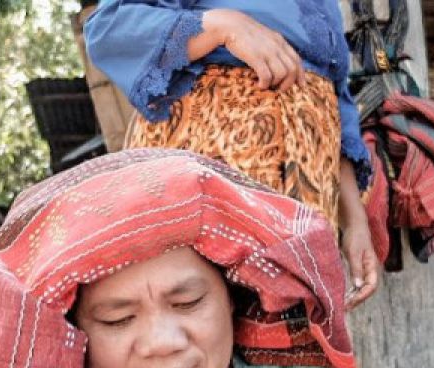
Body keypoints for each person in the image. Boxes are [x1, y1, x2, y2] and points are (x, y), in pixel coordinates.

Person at [0, 149, 393, 368]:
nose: (162, 341)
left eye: (186, 303)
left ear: (233, 302)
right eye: (117, 319)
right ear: (77, 338)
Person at [84, 0, 381, 309]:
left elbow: (339, 114)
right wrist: (224, 26)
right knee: (193, 319)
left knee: (285, 334)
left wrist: (355, 224)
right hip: (208, 177)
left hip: (306, 197)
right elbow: (109, 29)